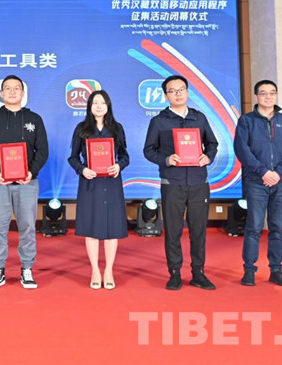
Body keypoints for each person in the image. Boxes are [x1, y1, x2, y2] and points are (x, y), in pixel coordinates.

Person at [143, 75, 219, 290]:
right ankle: (175, 272)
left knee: (198, 230)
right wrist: (166, 159)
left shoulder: (199, 118)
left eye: (181, 89)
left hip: (198, 181)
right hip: (172, 182)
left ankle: (198, 273)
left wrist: (208, 157)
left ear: (187, 92)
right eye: (172, 91)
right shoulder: (159, 121)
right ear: (165, 95)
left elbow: (212, 144)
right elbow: (149, 150)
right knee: (173, 230)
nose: (178, 94)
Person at [0, 75, 48, 289]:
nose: (11, 92)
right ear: (1, 93)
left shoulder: (34, 119)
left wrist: (31, 172)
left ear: (23, 93)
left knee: (27, 226)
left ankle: (27, 268)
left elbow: (42, 150)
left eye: (16, 88)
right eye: (7, 88)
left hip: (27, 183)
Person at [233, 80, 282, 287]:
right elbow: (242, 150)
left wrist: (278, 173)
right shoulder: (246, 121)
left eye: (272, 93)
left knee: (277, 228)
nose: (268, 97)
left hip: (281, 181)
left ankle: (276, 270)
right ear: (256, 97)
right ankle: (249, 270)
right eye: (263, 93)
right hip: (256, 181)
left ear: (276, 96)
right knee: (253, 226)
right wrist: (263, 172)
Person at [68, 90, 129, 290]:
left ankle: (109, 270)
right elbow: (73, 157)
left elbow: (125, 156)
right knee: (91, 227)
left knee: (112, 229)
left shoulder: (117, 129)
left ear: (108, 105)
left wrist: (119, 166)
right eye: (95, 103)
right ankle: (95, 270)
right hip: (90, 183)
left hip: (112, 182)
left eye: (103, 102)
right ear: (89, 106)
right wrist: (82, 169)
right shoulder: (81, 129)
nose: (99, 106)